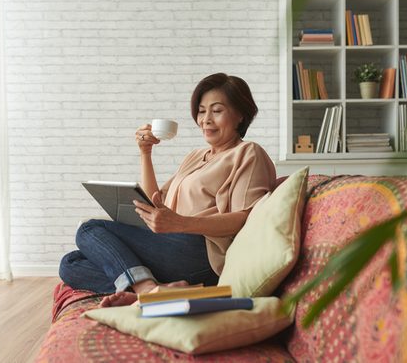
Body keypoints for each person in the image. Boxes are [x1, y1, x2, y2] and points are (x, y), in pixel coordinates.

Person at [58, 73, 277, 306]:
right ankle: (158, 289)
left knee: (90, 229)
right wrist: (146, 153)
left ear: (240, 114)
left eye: (217, 110)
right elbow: (154, 202)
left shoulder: (247, 153)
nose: (206, 120)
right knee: (71, 263)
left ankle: (147, 288)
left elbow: (246, 218)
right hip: (171, 244)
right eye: (202, 111)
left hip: (201, 253)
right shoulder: (195, 156)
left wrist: (181, 223)